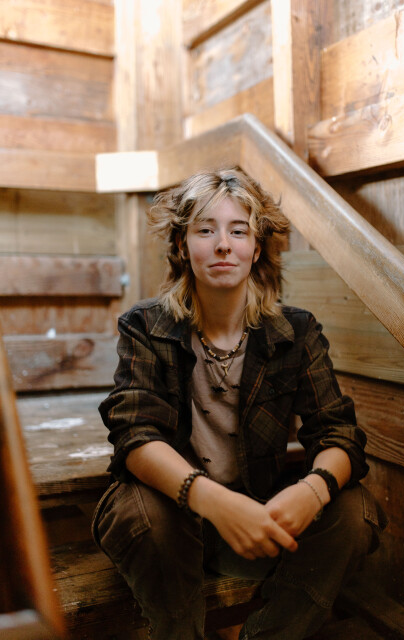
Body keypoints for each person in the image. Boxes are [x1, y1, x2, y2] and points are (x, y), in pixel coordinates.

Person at [92, 167, 387, 640]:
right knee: (140, 512)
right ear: (182, 245)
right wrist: (214, 501)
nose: (223, 245)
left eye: (238, 231)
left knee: (355, 512)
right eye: (205, 230)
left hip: (254, 515)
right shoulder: (146, 325)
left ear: (256, 247)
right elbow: (134, 435)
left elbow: (339, 434)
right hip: (173, 519)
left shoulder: (296, 331)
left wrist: (312, 490)